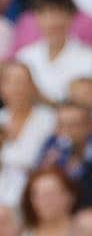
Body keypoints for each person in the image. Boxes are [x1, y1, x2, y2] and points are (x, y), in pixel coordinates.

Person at [15, 0, 92, 104]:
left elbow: (82, 106)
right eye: (46, 14)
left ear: (72, 17)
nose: (52, 22)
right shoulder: (24, 56)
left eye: (59, 13)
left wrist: (37, 95)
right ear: (37, 18)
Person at [0, 61, 56, 207]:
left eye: (22, 82)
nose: (17, 89)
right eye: (11, 82)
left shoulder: (49, 119)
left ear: (32, 87)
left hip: (35, 196)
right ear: (2, 88)